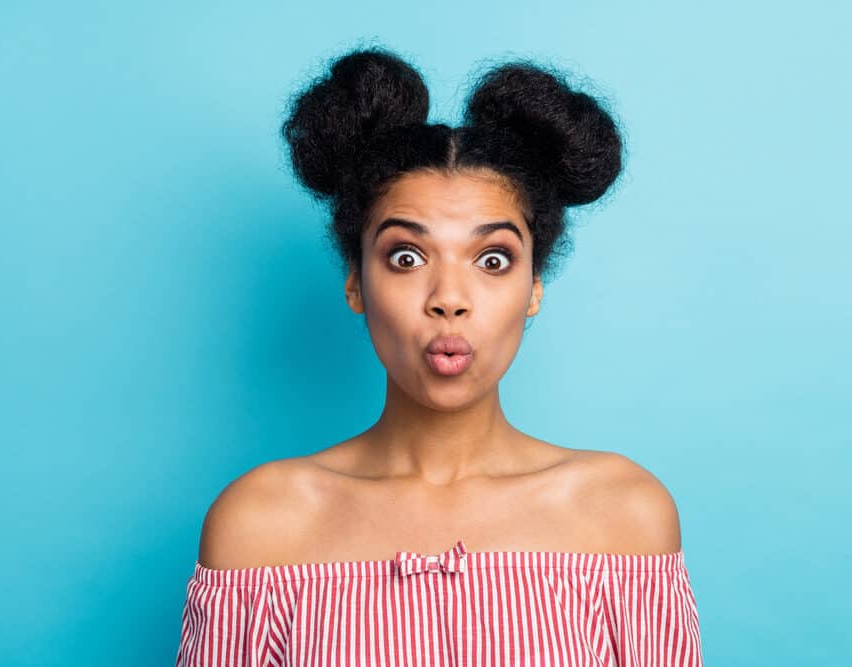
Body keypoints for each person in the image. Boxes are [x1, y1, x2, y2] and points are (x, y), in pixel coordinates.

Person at [174, 46, 704, 666]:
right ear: (355, 283)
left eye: (493, 260)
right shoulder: (260, 524)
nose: (449, 299)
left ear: (533, 287)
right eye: (406, 257)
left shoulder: (623, 514)